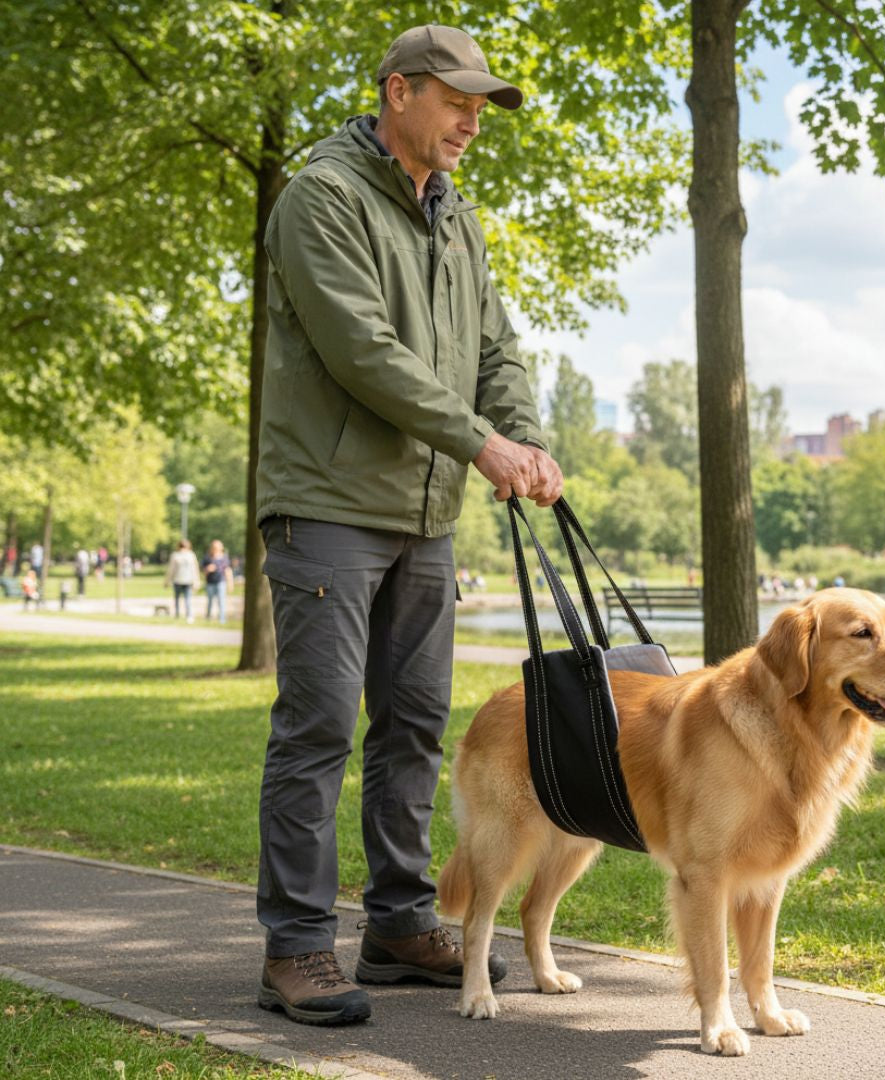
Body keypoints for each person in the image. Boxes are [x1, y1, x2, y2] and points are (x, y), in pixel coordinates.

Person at [252, 24, 562, 1028]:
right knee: (318, 729)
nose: (474, 121)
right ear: (397, 92)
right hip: (328, 508)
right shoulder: (322, 197)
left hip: (427, 514)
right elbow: (364, 352)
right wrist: (482, 443)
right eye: (457, 101)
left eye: (482, 107)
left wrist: (522, 437)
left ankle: (396, 922)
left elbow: (492, 344)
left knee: (416, 728)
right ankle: (297, 947)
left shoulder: (454, 215)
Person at [165, 539, 200, 623]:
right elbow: (195, 570)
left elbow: (171, 570)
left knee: (177, 599)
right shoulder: (191, 555)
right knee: (187, 599)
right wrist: (196, 581)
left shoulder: (176, 555)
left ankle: (177, 615)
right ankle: (189, 616)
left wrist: (167, 581)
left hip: (179, 580)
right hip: (187, 581)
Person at [201, 539, 232, 624]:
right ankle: (208, 617)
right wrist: (208, 569)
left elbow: (228, 570)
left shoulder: (224, 557)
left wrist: (230, 583)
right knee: (210, 601)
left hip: (221, 581)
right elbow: (203, 570)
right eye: (214, 547)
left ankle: (222, 619)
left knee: (221, 601)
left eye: (217, 547)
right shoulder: (207, 557)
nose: (216, 549)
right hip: (210, 582)